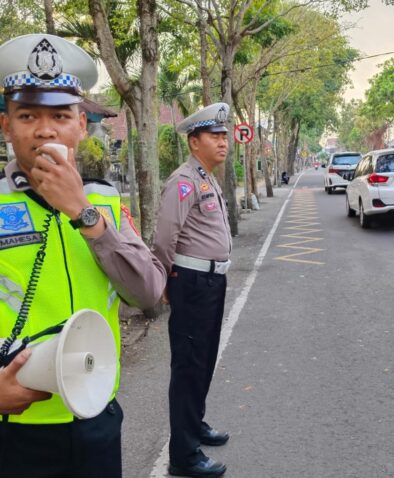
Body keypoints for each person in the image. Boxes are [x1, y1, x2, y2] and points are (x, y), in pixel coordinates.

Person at [0, 34, 166, 478]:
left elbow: (150, 293)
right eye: (28, 115)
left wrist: (84, 215)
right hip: (0, 435)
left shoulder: (103, 201)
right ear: (6, 128)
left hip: (94, 422)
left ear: (81, 125)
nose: (45, 129)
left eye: (61, 115)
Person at [152, 103, 233, 478]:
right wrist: (165, 280)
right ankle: (182, 456)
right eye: (215, 136)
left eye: (224, 135)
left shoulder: (207, 177)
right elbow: (165, 238)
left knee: (204, 360)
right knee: (188, 367)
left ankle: (194, 425)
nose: (223, 142)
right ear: (194, 141)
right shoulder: (182, 181)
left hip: (212, 282)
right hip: (192, 284)